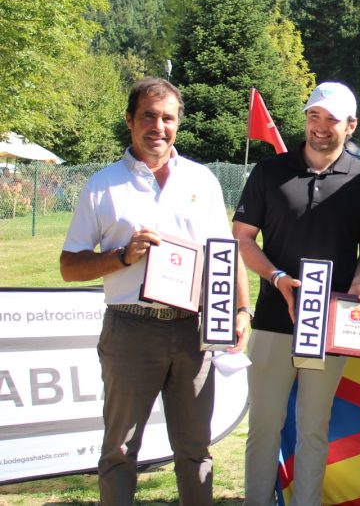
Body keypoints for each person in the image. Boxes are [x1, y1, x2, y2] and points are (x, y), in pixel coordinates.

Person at [60, 77, 251, 505]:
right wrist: (122, 257)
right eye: (148, 115)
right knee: (120, 450)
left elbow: (228, 251)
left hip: (194, 331)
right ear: (130, 120)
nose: (158, 127)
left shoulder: (202, 180)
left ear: (178, 124)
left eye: (168, 118)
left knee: (195, 450)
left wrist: (242, 309)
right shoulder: (102, 185)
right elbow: (69, 265)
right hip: (131, 329)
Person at [233, 82, 360, 506]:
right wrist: (277, 277)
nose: (320, 127)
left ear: (351, 126)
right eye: (313, 116)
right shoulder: (269, 171)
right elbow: (243, 238)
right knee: (264, 427)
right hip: (272, 320)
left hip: (330, 324)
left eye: (332, 119)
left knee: (313, 429)